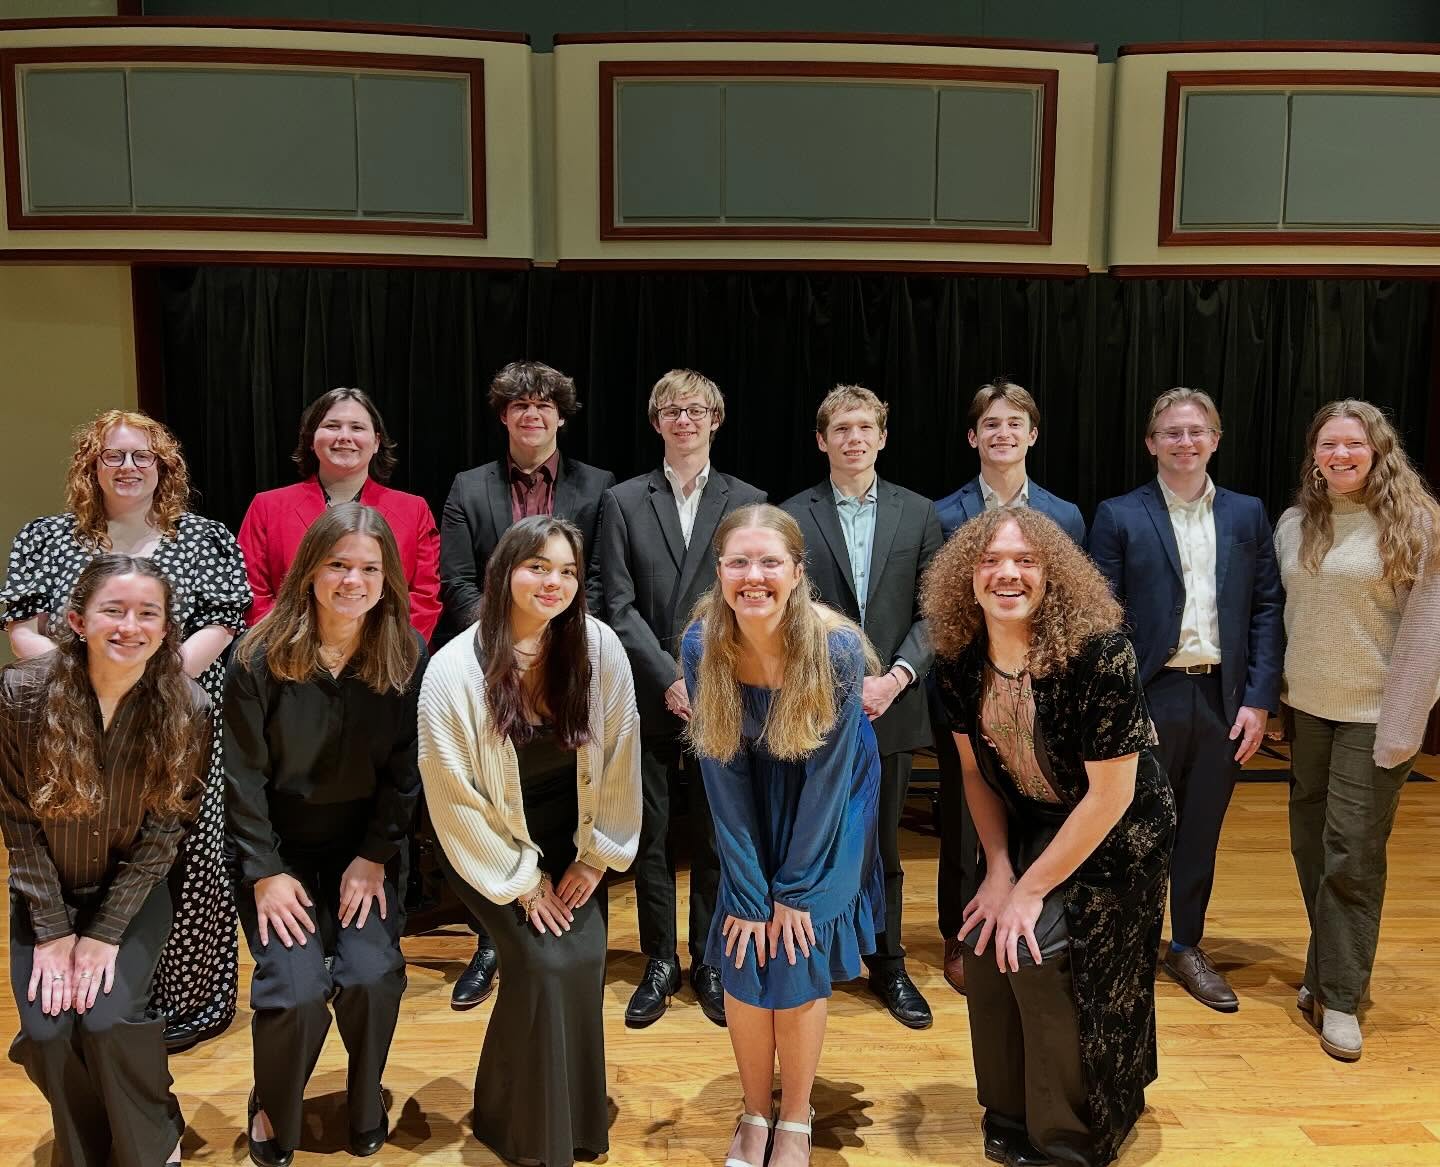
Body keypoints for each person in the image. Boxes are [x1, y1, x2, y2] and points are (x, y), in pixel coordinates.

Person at [924, 507, 1176, 1167]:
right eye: (991, 561)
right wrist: (999, 873)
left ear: (1051, 574)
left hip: (1120, 834)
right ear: (967, 577)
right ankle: (1008, 1110)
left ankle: (1070, 1134)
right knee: (980, 938)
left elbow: (1113, 795)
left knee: (1037, 948)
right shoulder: (956, 660)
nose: (1008, 572)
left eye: (1026, 560)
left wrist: (1031, 891)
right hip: (1032, 822)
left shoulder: (1100, 652)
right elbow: (976, 774)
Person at [0, 409, 250, 1053]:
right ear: (91, 466)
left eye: (143, 455)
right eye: (113, 456)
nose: (129, 466)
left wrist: (147, 687)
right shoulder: (46, 537)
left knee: (184, 855)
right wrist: (88, 685)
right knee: (83, 843)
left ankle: (184, 1003)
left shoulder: (206, 536)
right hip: (70, 722)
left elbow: (222, 623)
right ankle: (87, 984)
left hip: (178, 719)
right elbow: (23, 627)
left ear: (163, 466)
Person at [418, 515, 641, 1167]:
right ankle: (526, 1132)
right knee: (544, 963)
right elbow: (454, 799)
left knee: (581, 960)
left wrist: (596, 858)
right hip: (486, 847)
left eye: (567, 570)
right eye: (538, 566)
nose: (554, 581)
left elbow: (622, 755)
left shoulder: (599, 647)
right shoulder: (453, 670)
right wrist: (522, 880)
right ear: (504, 572)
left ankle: (553, 1114)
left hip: (573, 843)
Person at [682, 503, 883, 1167]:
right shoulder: (701, 643)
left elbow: (829, 779)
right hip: (752, 791)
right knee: (743, 941)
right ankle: (752, 1111)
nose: (754, 575)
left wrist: (793, 889)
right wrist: (746, 888)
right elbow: (721, 771)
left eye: (771, 561)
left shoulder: (837, 650)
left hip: (831, 796)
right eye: (739, 561)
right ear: (720, 570)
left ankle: (794, 1118)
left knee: (794, 943)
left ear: (797, 572)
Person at [225, 503, 425, 1166]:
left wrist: (374, 855)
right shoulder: (256, 656)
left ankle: (366, 1099)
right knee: (297, 987)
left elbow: (404, 773)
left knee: (372, 975)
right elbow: (242, 779)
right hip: (279, 855)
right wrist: (265, 872)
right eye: (338, 563)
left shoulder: (404, 653)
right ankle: (272, 1104)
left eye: (369, 567)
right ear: (309, 568)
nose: (352, 579)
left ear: (387, 577)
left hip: (363, 854)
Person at [1, 555, 211, 1167]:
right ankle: (87, 1150)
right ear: (76, 619)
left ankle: (149, 1138)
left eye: (149, 613)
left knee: (107, 1022)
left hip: (134, 895)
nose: (130, 625)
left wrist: (103, 934)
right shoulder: (20, 695)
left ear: (168, 628)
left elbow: (163, 836)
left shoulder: (189, 707)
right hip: (46, 894)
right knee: (46, 1033)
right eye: (112, 610)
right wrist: (55, 930)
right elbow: (17, 821)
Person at [1087, 388, 1283, 1012]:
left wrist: (1258, 700)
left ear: (1216, 440)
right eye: (1171, 432)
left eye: (1197, 431)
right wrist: (1118, 701)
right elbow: (1102, 617)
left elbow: (1267, 608)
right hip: (1152, 694)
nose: (1185, 442)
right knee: (1133, 827)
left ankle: (1187, 945)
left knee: (1200, 830)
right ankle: (1130, 943)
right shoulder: (1119, 515)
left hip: (1223, 699)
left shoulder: (1248, 514)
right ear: (1151, 443)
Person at [438, 361, 616, 1007]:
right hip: (489, 667)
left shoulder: (598, 487)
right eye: (519, 405)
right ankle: (494, 937)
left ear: (561, 415)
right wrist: (498, 648)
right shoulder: (469, 486)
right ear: (504, 416)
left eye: (544, 405)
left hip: (568, 669)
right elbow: (457, 579)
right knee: (492, 797)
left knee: (563, 797)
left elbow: (594, 580)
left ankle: (575, 926)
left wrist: (557, 646)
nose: (532, 415)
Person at [597, 368, 766, 1028]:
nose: (684, 419)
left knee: (719, 835)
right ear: (656, 421)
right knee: (655, 837)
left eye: (696, 409)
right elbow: (617, 603)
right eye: (671, 409)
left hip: (725, 693)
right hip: (649, 693)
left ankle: (711, 960)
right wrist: (669, 675)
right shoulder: (622, 500)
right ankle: (660, 959)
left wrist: (706, 680)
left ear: (716, 419)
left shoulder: (748, 500)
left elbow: (754, 597)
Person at [1274, 399, 1440, 1062]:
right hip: (1308, 712)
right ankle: (1325, 967)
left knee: (1351, 853)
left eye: (1353, 445)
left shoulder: (1415, 523)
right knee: (1309, 846)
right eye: (1327, 444)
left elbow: (1428, 638)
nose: (1339, 455)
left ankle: (1341, 997)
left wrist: (1403, 727)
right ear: (1314, 453)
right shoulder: (1296, 523)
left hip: (1376, 715)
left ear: (1378, 450)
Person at [781, 385, 943, 1029]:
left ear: (882, 437)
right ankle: (816, 954)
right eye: (840, 428)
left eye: (865, 427)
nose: (853, 438)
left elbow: (934, 610)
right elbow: (786, 608)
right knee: (813, 839)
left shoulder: (920, 514)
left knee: (884, 847)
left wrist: (896, 678)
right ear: (822, 440)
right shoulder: (792, 513)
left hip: (891, 705)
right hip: (814, 708)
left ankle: (889, 960)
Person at [932, 376, 1086, 995]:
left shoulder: (1065, 514)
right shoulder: (942, 514)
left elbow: (1072, 601)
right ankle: (958, 930)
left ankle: (1032, 913)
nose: (1003, 434)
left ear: (1033, 434)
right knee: (964, 812)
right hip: (970, 686)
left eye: (1014, 424)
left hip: (1042, 687)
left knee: (1038, 803)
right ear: (974, 436)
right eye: (990, 424)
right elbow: (940, 608)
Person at [236, 386, 442, 641]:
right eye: (332, 426)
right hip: (286, 656)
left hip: (385, 662)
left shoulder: (414, 510)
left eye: (357, 428)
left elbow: (424, 599)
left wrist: (380, 651)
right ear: (311, 438)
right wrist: (297, 646)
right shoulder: (267, 506)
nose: (344, 436)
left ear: (376, 442)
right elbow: (252, 594)